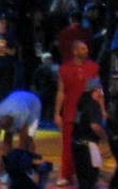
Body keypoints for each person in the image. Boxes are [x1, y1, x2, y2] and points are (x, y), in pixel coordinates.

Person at [54, 40, 101, 186]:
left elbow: (96, 91)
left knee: (90, 146)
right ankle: (66, 174)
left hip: (88, 113)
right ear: (75, 51)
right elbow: (61, 92)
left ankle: (90, 175)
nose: (86, 51)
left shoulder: (93, 67)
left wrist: (102, 110)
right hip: (70, 112)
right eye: (82, 48)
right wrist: (57, 113)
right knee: (68, 145)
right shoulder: (64, 69)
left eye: (86, 48)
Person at [0, 91, 42, 183]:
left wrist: (18, 168)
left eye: (9, 127)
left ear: (12, 122)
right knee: (7, 137)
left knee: (28, 140)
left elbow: (22, 144)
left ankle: (28, 167)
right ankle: (7, 168)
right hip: (16, 99)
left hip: (33, 105)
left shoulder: (21, 116)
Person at [72, 78, 107, 189]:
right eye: (100, 91)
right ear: (96, 90)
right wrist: (105, 137)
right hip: (89, 147)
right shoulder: (94, 105)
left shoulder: (81, 102)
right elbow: (95, 126)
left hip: (76, 145)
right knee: (90, 179)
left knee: (82, 180)